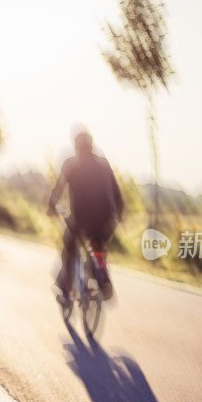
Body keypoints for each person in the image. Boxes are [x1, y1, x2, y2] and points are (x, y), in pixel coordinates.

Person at [47, 129, 124, 302]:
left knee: (69, 245)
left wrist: (51, 206)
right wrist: (119, 215)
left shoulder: (71, 163)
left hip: (81, 220)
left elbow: (58, 188)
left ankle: (65, 290)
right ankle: (102, 275)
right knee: (98, 245)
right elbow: (117, 192)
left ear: (76, 146)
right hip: (107, 220)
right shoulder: (103, 163)